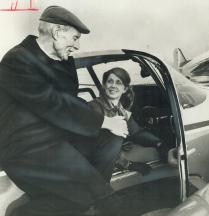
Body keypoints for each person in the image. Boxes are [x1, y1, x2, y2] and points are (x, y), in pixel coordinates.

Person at [0, 5, 127, 216]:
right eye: (75, 38)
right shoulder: (16, 60)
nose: (77, 46)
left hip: (55, 139)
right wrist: (104, 120)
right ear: (57, 32)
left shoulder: (64, 61)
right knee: (100, 197)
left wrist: (109, 123)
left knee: (110, 139)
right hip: (25, 148)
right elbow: (53, 102)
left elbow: (70, 101)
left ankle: (86, 192)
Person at [88, 67, 164, 175]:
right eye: (110, 81)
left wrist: (158, 143)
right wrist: (127, 164)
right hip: (99, 163)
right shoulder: (94, 107)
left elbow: (137, 132)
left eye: (118, 83)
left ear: (124, 89)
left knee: (154, 152)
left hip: (114, 156)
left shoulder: (121, 110)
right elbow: (96, 145)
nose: (113, 85)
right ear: (104, 86)